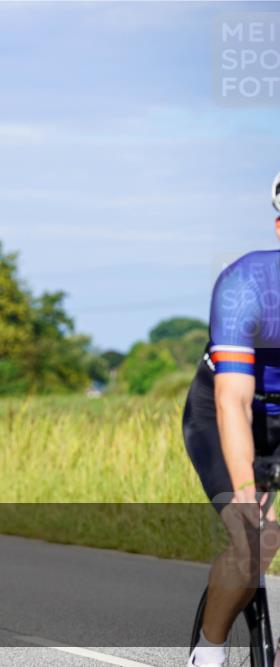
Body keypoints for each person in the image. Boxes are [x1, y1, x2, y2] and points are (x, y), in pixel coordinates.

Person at [184, 172, 280, 667]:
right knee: (255, 538)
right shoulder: (247, 285)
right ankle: (209, 653)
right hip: (227, 410)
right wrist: (246, 488)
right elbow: (232, 403)